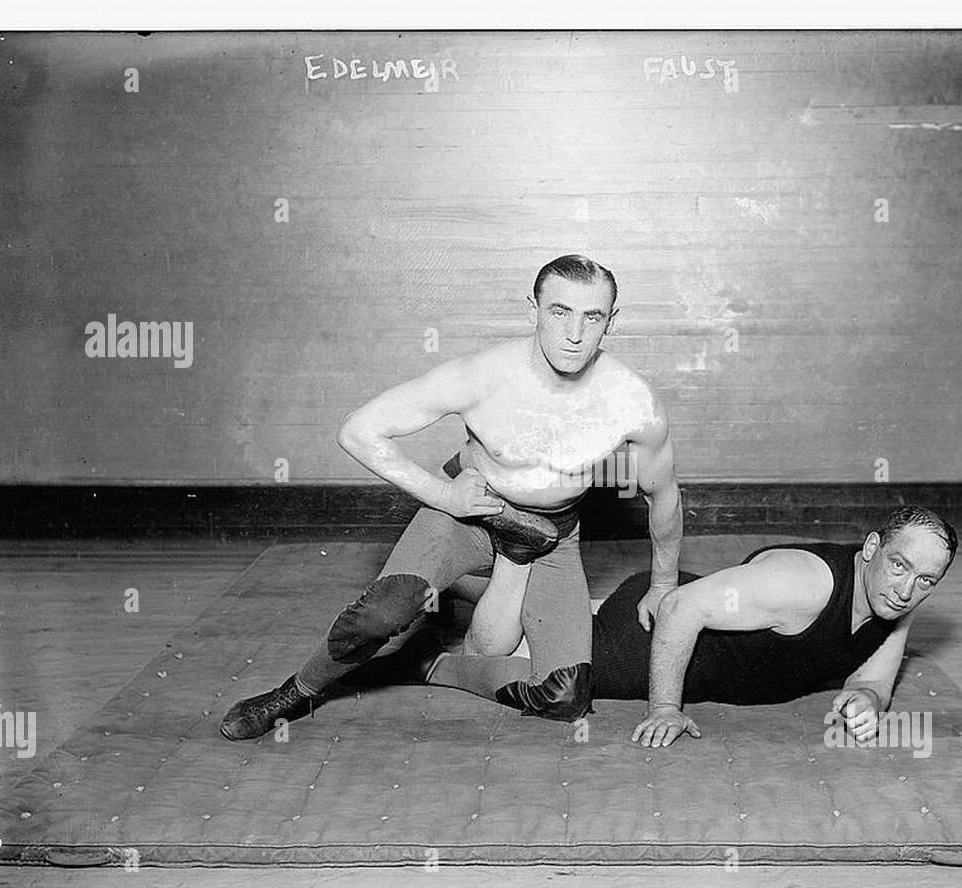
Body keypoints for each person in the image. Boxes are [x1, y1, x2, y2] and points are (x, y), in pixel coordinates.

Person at [219, 254, 684, 740]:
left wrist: (662, 584)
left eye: (592, 317)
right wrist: (444, 495)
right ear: (534, 310)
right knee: (384, 613)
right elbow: (359, 432)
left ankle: (427, 663)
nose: (574, 333)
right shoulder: (481, 377)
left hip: (550, 534)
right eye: (559, 311)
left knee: (564, 697)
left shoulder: (632, 402)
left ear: (612, 321)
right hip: (471, 511)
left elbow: (664, 497)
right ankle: (296, 692)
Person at [416, 506, 958, 748]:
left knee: (555, 627)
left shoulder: (896, 602)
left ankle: (463, 588)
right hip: (662, 642)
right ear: (871, 550)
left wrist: (866, 700)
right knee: (523, 664)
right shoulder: (803, 584)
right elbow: (679, 610)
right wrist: (665, 709)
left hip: (697, 630)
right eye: (900, 566)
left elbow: (874, 678)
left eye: (926, 581)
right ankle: (443, 639)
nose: (907, 589)